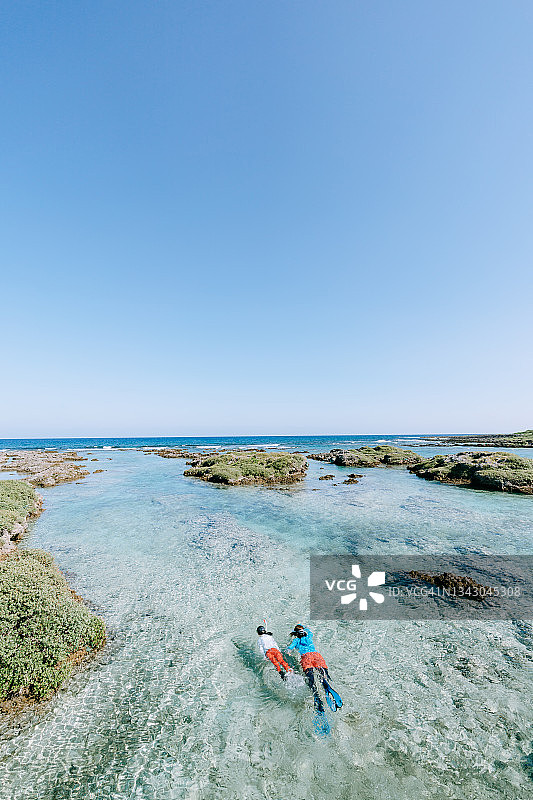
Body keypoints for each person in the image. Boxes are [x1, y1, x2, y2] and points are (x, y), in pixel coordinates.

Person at [287, 624, 342, 712]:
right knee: (323, 674)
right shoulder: (309, 635)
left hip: (306, 657)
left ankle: (316, 696)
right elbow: (309, 629)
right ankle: (326, 685)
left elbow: (290, 648)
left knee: (311, 679)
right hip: (317, 656)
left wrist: (288, 651)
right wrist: (302, 625)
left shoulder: (297, 639)